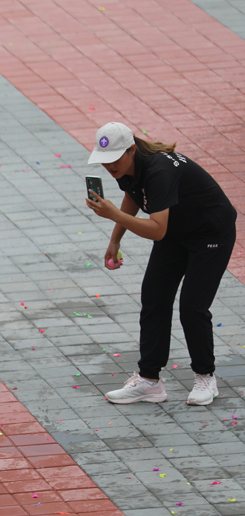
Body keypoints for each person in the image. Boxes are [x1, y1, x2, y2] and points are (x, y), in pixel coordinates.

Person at [86, 122, 237, 406]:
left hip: (210, 232)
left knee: (192, 306)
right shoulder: (126, 166)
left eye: (113, 159)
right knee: (154, 297)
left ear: (131, 150)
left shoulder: (159, 171)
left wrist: (113, 216)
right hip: (176, 231)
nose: (109, 166)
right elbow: (132, 196)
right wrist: (116, 239)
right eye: (103, 161)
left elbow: (157, 230)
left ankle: (206, 376)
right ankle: (149, 381)